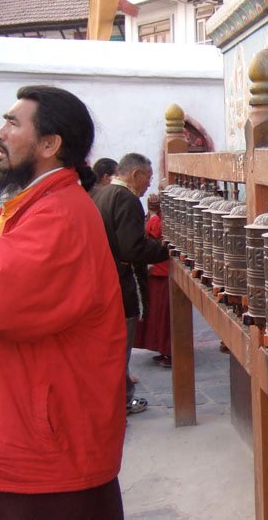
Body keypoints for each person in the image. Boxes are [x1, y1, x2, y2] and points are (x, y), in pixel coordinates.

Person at [0, 85, 126, 519]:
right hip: (31, 427)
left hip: (52, 440)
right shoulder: (24, 208)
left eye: (13, 123)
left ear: (50, 145)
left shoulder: (57, 215)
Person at [93, 153, 169, 415]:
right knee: (120, 348)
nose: (148, 185)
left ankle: (116, 399)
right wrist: (164, 249)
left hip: (105, 279)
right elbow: (132, 249)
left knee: (113, 348)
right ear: (135, 174)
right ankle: (120, 401)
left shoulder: (102, 194)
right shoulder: (125, 198)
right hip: (120, 283)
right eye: (147, 178)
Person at [135, 193, 171, 367]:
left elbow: (156, 232)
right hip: (156, 270)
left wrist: (154, 216)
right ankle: (162, 348)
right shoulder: (154, 216)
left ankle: (170, 351)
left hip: (163, 271)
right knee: (157, 315)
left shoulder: (160, 218)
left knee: (164, 315)